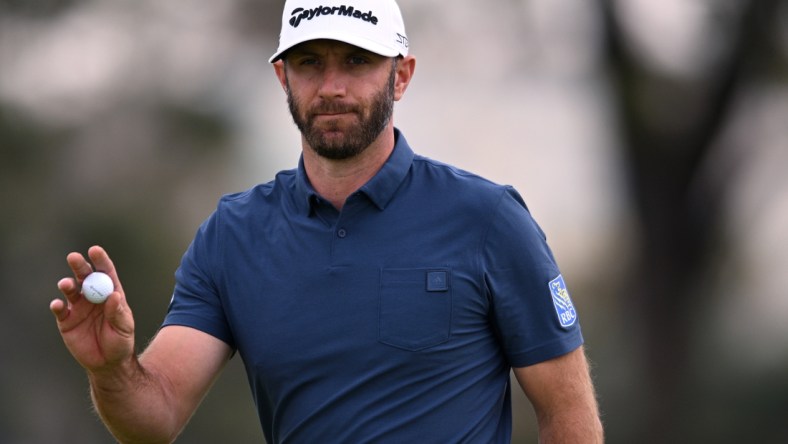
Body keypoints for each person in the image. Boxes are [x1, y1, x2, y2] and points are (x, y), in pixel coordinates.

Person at [50, 0, 604, 442]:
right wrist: (112, 371)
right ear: (282, 77)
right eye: (310, 62)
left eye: (358, 61)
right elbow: (157, 417)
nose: (332, 87)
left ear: (401, 75)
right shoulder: (232, 235)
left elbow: (568, 414)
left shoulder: (488, 219)